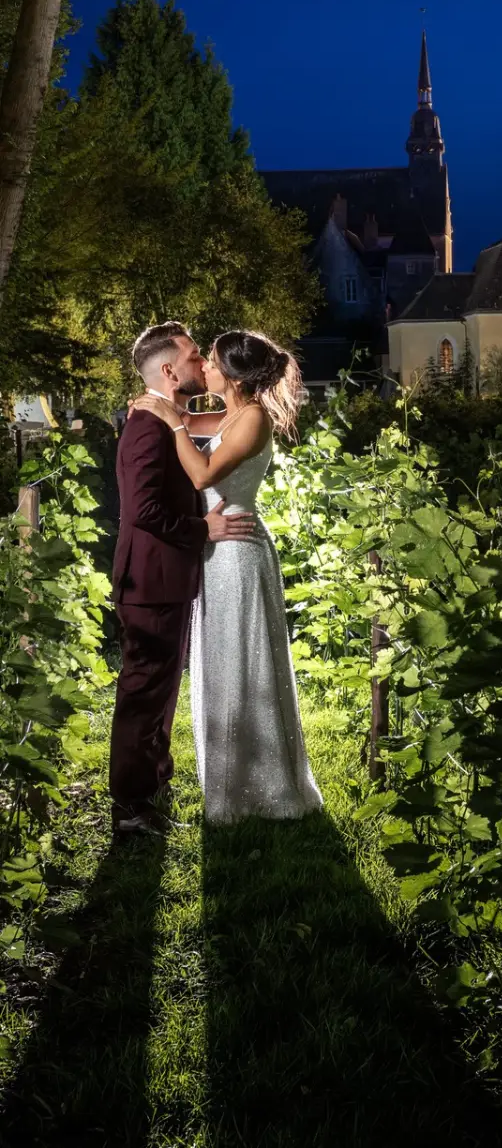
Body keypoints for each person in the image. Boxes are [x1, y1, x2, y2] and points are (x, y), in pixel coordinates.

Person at [132, 330, 323, 826]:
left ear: (233, 375)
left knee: (244, 658)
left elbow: (202, 474)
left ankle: (267, 790)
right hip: (216, 547)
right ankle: (230, 783)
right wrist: (155, 406)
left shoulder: (254, 417)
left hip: (237, 549)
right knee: (220, 661)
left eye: (211, 362)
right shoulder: (232, 413)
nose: (205, 369)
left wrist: (173, 423)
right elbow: (189, 418)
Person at [111, 322, 256, 837]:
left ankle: (151, 784)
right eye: (195, 357)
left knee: (160, 688)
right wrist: (204, 527)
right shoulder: (146, 425)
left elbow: (225, 422)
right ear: (170, 370)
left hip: (166, 579)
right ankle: (129, 808)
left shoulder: (165, 417)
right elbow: (144, 510)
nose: (202, 364)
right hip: (149, 581)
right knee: (144, 690)